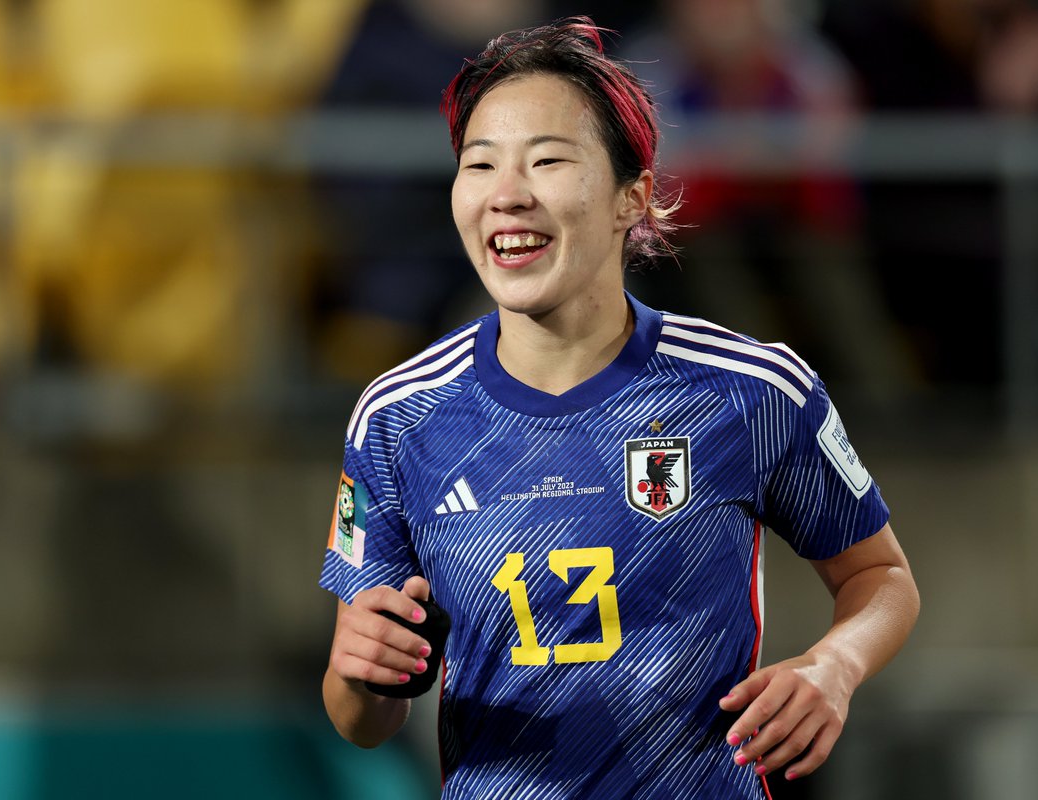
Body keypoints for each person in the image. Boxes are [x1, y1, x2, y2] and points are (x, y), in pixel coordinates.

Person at [319, 17, 919, 798]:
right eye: (480, 165)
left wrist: (833, 666)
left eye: (547, 161)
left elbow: (882, 576)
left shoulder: (751, 389)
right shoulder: (399, 417)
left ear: (630, 198)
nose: (507, 195)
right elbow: (360, 720)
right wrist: (358, 673)